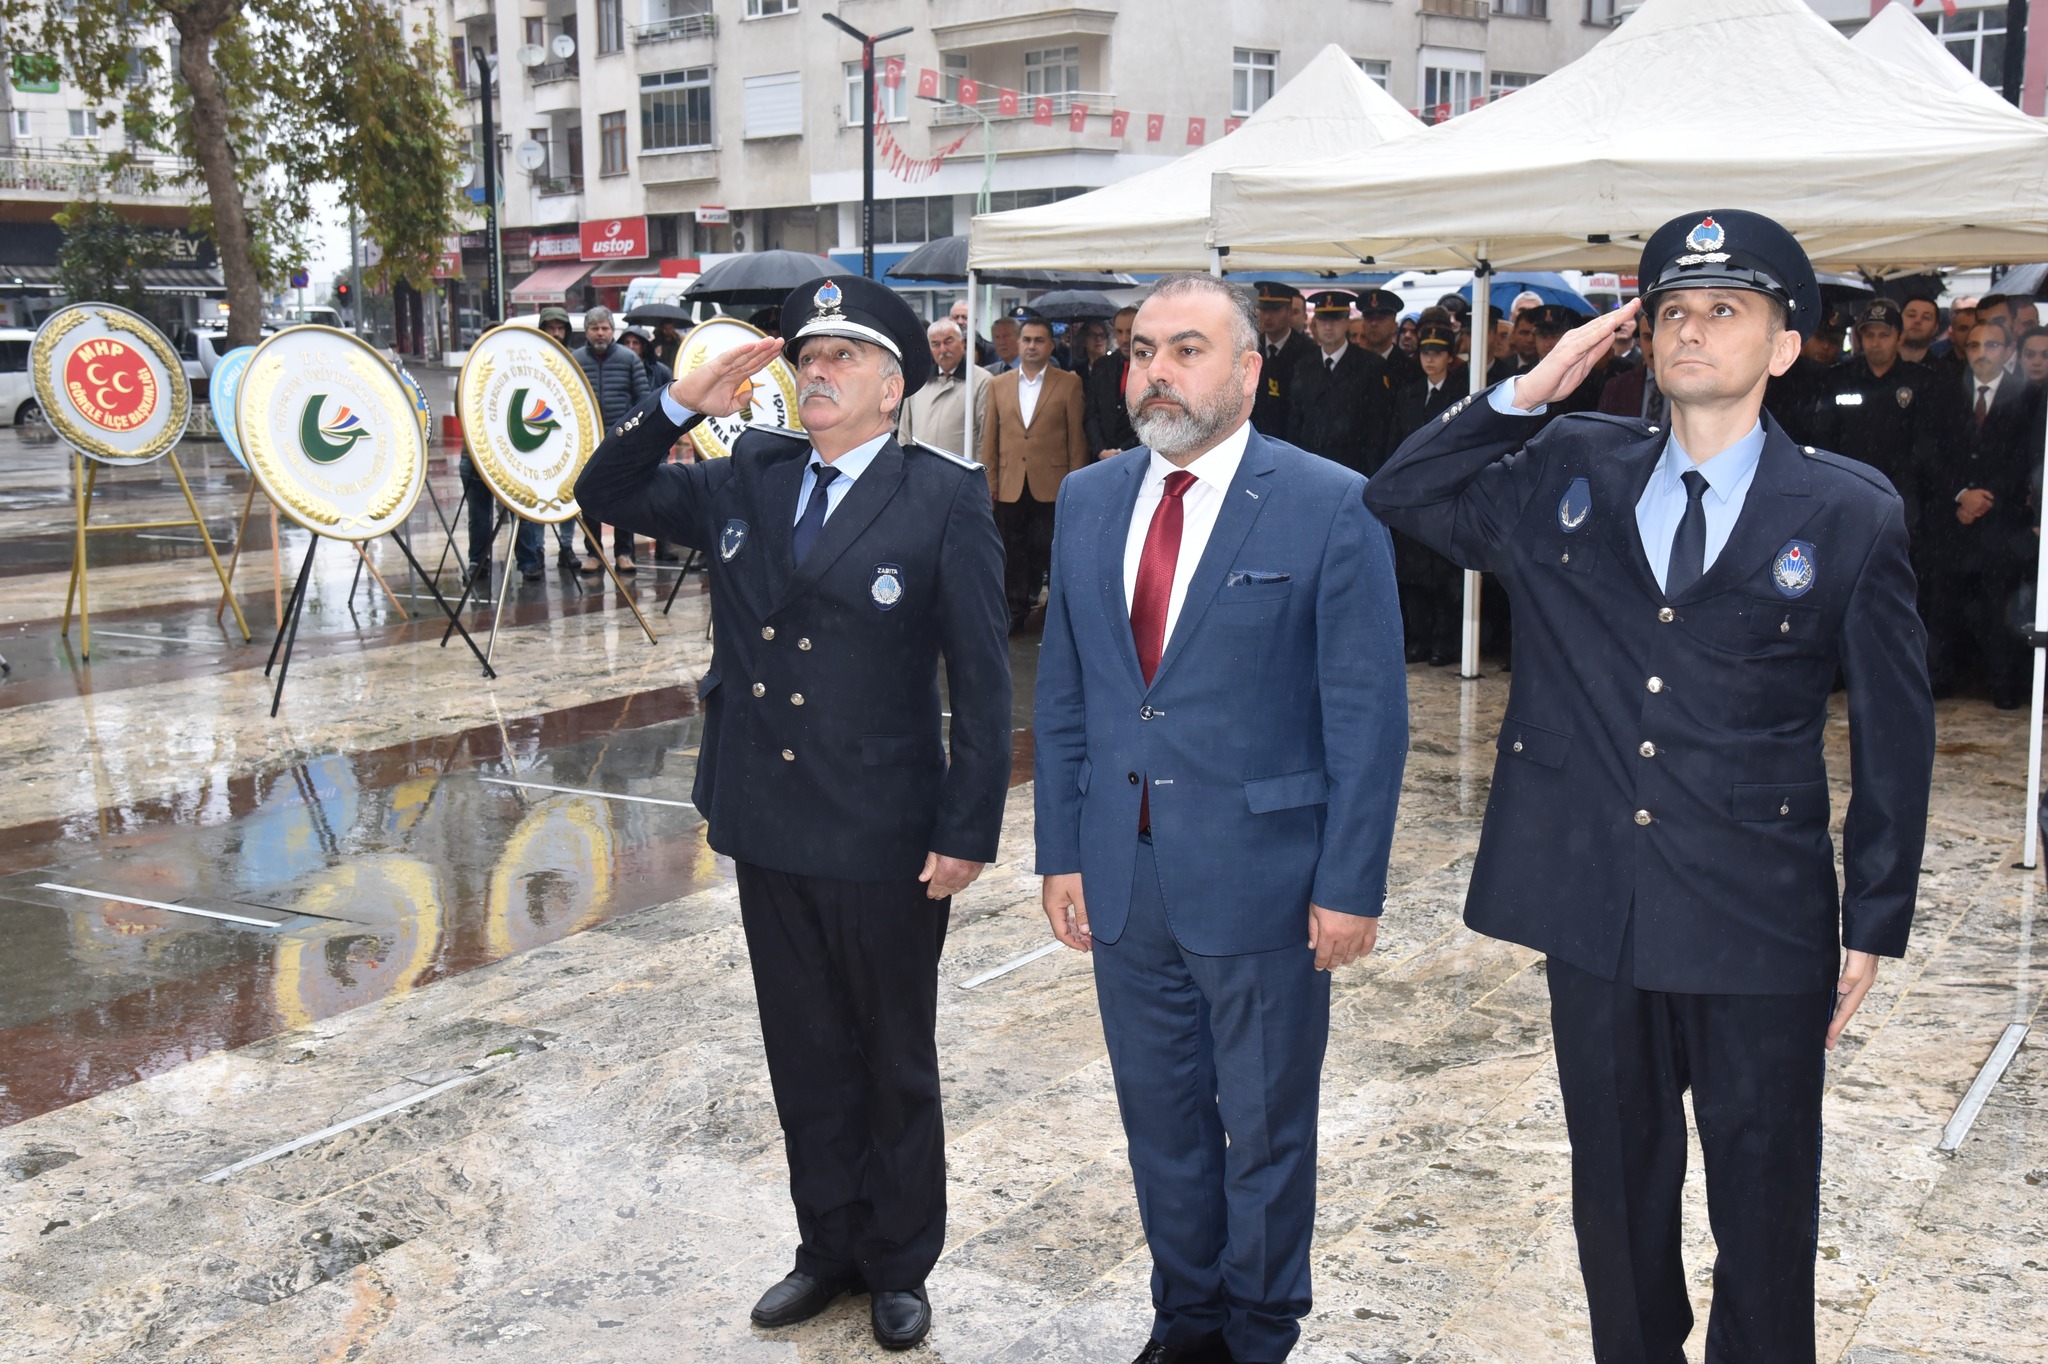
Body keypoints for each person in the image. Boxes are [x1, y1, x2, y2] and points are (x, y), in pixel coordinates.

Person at [1365, 208, 1935, 1364]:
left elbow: (1895, 729)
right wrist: (1528, 390)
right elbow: (1402, 496)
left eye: (1726, 309)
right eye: (1672, 308)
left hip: (1753, 912)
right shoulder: (1572, 463)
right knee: (1615, 1186)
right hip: (1593, 903)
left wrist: (1871, 917)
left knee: (1763, 1190)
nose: (1692, 327)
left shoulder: (1846, 510)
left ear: (1782, 345)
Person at [572, 274, 1010, 1352]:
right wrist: (683, 401)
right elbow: (605, 487)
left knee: (891, 1054)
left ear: (892, 386)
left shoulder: (939, 495)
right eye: (808, 356)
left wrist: (966, 829)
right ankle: (828, 1248)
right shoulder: (748, 477)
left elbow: (985, 683)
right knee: (804, 1049)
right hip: (768, 818)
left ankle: (900, 1261)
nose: (816, 371)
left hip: (884, 832)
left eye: (843, 358)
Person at [1033, 271, 1407, 1364]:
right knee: (1162, 1123)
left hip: (1266, 876)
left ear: (1248, 371)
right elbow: (1065, 695)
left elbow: (1366, 717)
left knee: (1264, 1129)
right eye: (1143, 348)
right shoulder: (1091, 499)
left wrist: (1349, 883)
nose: (1156, 370)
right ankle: (1183, 1315)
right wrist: (1062, 849)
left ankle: (1257, 1325)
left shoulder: (1329, 501)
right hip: (1122, 874)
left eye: (1186, 348)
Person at [1924, 317, 2039, 708]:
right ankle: (1939, 680)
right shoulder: (1942, 392)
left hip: (2001, 520)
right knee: (1942, 604)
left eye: (1991, 346)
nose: (1981, 354)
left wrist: (1987, 497)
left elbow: (2028, 459)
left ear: (2008, 352)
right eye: (1974, 346)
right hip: (1951, 518)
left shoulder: (2029, 398)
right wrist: (1960, 494)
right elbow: (1929, 453)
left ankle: (2002, 685)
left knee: (1997, 607)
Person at [981, 314, 1088, 633]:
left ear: (1050, 345)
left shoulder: (1069, 383)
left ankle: (1054, 616)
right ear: (1018, 343)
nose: (1031, 346)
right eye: (1026, 340)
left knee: (1049, 551)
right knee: (1012, 552)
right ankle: (1015, 613)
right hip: (1011, 482)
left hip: (1052, 485)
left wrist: (1077, 486)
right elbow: (990, 437)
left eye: (1039, 340)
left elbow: (1076, 439)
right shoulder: (997, 384)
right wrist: (990, 483)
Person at [1815, 298, 1941, 545]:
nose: (1875, 342)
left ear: (1899, 337)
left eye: (1884, 334)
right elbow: (1824, 436)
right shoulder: (1839, 379)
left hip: (1903, 492)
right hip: (1849, 489)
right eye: (1869, 334)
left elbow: (1928, 441)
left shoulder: (1922, 382)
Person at [1390, 323, 1466, 664]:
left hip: (1446, 491)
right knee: (1412, 572)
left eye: (1437, 352)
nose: (1429, 359)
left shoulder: (1463, 393)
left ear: (1451, 357)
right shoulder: (1407, 392)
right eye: (1424, 352)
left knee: (1443, 573)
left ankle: (1443, 641)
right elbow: (1395, 439)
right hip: (1411, 493)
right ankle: (1417, 638)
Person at [573, 305, 650, 575]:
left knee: (623, 497)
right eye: (595, 329)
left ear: (612, 330)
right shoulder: (575, 360)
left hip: (621, 442)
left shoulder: (630, 359)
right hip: (587, 442)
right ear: (587, 332)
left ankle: (624, 553)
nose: (600, 333)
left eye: (605, 328)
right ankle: (594, 553)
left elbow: (644, 399)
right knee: (588, 496)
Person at [1285, 289, 1393, 476]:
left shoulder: (1370, 365)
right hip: (1312, 465)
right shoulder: (1304, 365)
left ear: (1347, 323)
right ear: (1315, 324)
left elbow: (1378, 426)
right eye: (1324, 320)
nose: (1328, 327)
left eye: (1335, 320)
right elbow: (1295, 421)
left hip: (1353, 466)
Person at [896, 318, 988, 461]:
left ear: (963, 344)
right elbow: (904, 433)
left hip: (962, 475)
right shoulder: (919, 381)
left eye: (948, 342)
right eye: (935, 344)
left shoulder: (981, 381)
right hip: (920, 473)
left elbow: (986, 439)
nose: (943, 349)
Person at [1763, 303, 1848, 449]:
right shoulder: (1778, 374)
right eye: (1819, 338)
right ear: (1805, 336)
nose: (1825, 347)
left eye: (1833, 341)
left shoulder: (1844, 377)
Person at [1250, 281, 1314, 438]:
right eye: (1264, 309)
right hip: (1256, 433)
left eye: (1275, 310)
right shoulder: (1251, 347)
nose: (1267, 316)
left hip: (1291, 436)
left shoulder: (1308, 351)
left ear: (1289, 312)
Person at [1086, 305, 1141, 460]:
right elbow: (1091, 414)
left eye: (1130, 331)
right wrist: (1100, 450)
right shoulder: (1102, 366)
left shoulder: (1154, 367)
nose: (1124, 339)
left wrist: (1124, 451)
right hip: (1102, 458)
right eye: (1119, 332)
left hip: (1137, 457)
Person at [1351, 288, 1419, 391]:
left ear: (1395, 327)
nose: (1374, 324)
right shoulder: (1351, 365)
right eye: (1369, 318)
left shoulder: (1410, 369)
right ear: (1363, 325)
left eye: (1380, 318)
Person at [950, 297, 996, 367]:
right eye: (956, 317)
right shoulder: (943, 347)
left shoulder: (991, 350)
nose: (959, 322)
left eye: (965, 317)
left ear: (975, 321)